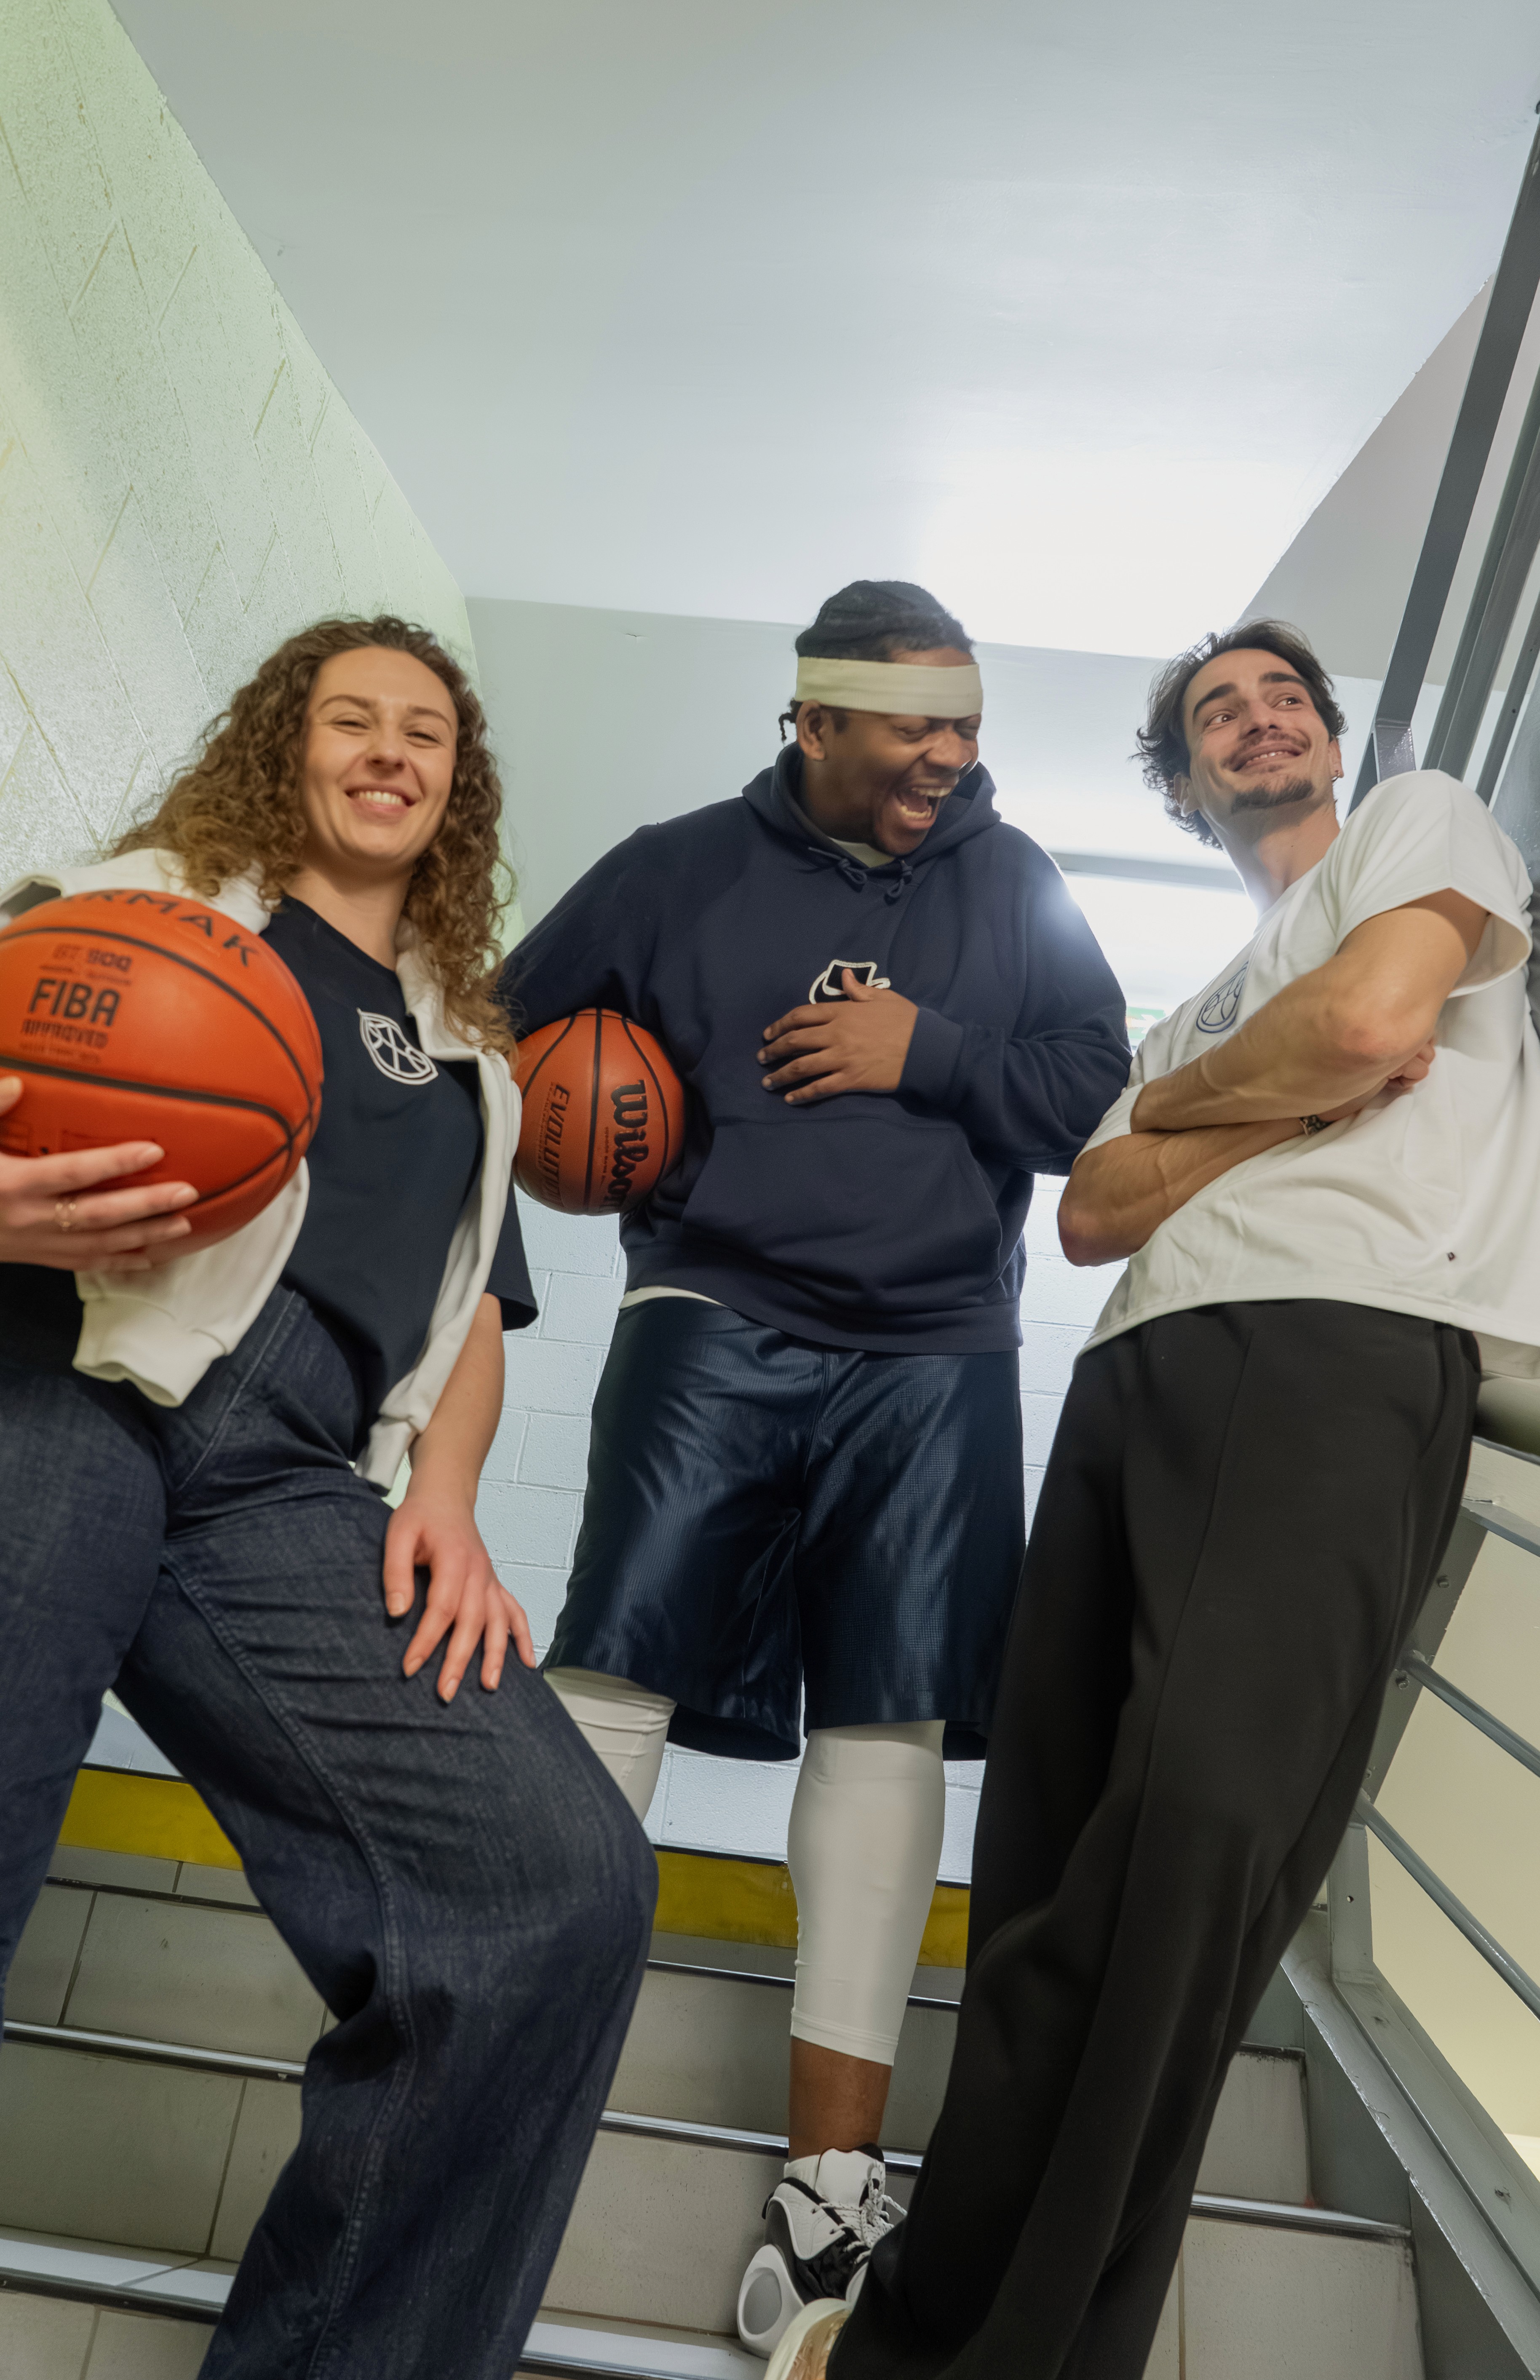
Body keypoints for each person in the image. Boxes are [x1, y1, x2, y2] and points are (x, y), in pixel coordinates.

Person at [767, 618, 1540, 2380]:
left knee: (1188, 1852)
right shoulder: (1196, 990)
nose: (1253, 719)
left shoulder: (1414, 826)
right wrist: (1248, 1085)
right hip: (1130, 1376)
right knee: (1042, 1880)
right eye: (1213, 714)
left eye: (1279, 695)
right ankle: (907, 2336)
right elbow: (1093, 1207)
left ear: (1327, 740)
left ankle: (1012, 2353)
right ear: (1182, 784)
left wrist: (1222, 1103)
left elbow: (1364, 1019)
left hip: (1342, 1348)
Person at [0, 618, 655, 2380]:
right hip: (59, 1368)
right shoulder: (142, 910)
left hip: (288, 1476)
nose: (387, 747)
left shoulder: (474, 1063)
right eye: (348, 716)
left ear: (456, 786)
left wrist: (442, 1492)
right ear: (282, 747)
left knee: (558, 1880)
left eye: (423, 730)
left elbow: (481, 1321)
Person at [501, 578, 1130, 2354]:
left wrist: (922, 1051)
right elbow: (497, 1046)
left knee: (888, 1719)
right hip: (712, 1305)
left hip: (933, 1347)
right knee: (611, 1663)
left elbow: (1096, 1091)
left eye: (966, 722)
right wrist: (553, 1177)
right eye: (912, 725)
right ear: (816, 719)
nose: (949, 754)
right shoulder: (670, 866)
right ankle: (503, 2037)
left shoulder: (1013, 885)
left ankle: (831, 2182)